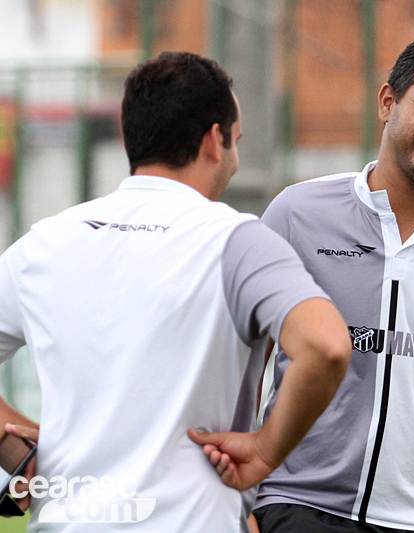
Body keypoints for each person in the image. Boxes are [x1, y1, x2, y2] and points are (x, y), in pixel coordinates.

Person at [0, 51, 352, 532]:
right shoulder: (236, 241)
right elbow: (327, 346)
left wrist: (13, 439)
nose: (235, 158)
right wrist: (266, 452)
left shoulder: (44, 243)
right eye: (236, 141)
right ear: (214, 140)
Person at [229, 36, 414, 533]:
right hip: (294, 508)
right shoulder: (297, 213)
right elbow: (243, 364)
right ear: (388, 102)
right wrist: (239, 505)